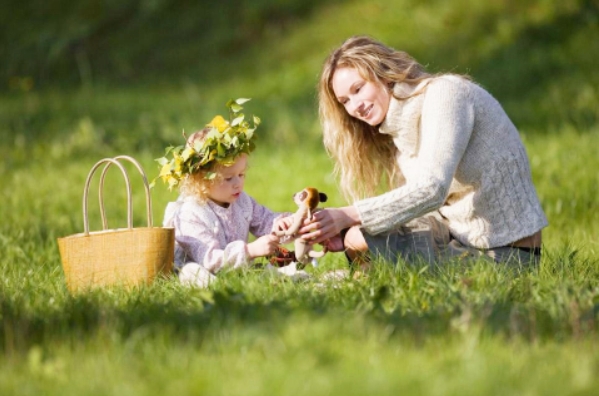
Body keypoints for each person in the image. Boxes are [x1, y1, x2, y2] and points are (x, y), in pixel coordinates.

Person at [300, 35, 548, 268]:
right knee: (357, 237)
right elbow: (419, 207)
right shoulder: (399, 129)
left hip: (506, 255)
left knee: (361, 237)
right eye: (345, 101)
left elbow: (432, 189)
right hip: (457, 238)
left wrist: (348, 215)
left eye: (358, 89)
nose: (355, 106)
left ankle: (357, 279)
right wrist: (340, 232)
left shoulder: (446, 94)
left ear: (384, 75)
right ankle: (356, 278)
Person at [160, 99, 289, 287]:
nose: (238, 183)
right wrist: (250, 251)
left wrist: (284, 224)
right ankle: (218, 288)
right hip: (202, 266)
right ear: (201, 180)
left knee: (276, 264)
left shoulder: (242, 202)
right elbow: (209, 258)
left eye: (242, 174)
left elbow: (265, 221)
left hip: (234, 267)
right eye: (228, 178)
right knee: (192, 273)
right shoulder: (190, 213)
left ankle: (263, 278)